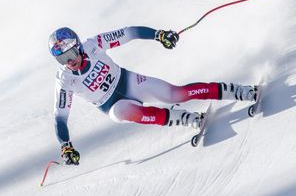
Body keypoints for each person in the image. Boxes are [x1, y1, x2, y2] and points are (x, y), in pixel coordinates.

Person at [49, 26, 257, 165]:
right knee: (120, 113)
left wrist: (159, 35)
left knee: (177, 94)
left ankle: (239, 91)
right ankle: (184, 118)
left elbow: (129, 33)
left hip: (129, 83)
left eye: (71, 54)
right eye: (62, 59)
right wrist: (66, 146)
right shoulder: (65, 79)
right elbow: (60, 116)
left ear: (78, 46)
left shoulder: (93, 44)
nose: (69, 61)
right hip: (111, 104)